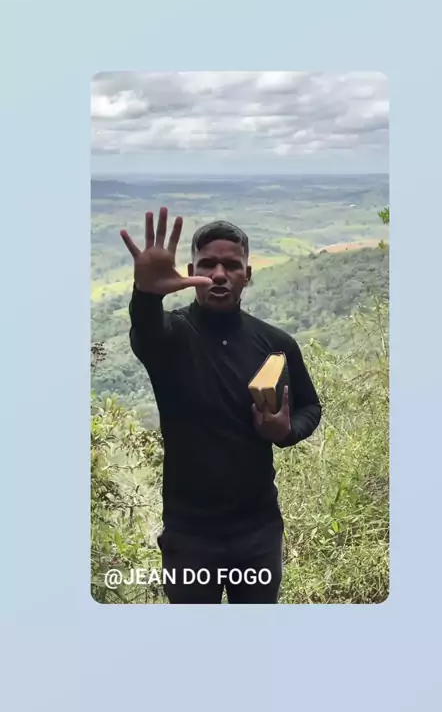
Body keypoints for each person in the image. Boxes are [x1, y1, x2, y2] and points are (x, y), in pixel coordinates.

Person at [121, 207, 322, 604]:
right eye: (207, 264)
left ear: (247, 275)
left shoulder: (275, 343)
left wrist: (286, 431)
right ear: (190, 271)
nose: (218, 274)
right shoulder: (170, 337)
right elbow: (145, 329)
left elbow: (310, 407)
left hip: (258, 531)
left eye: (231, 265)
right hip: (190, 534)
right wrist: (146, 293)